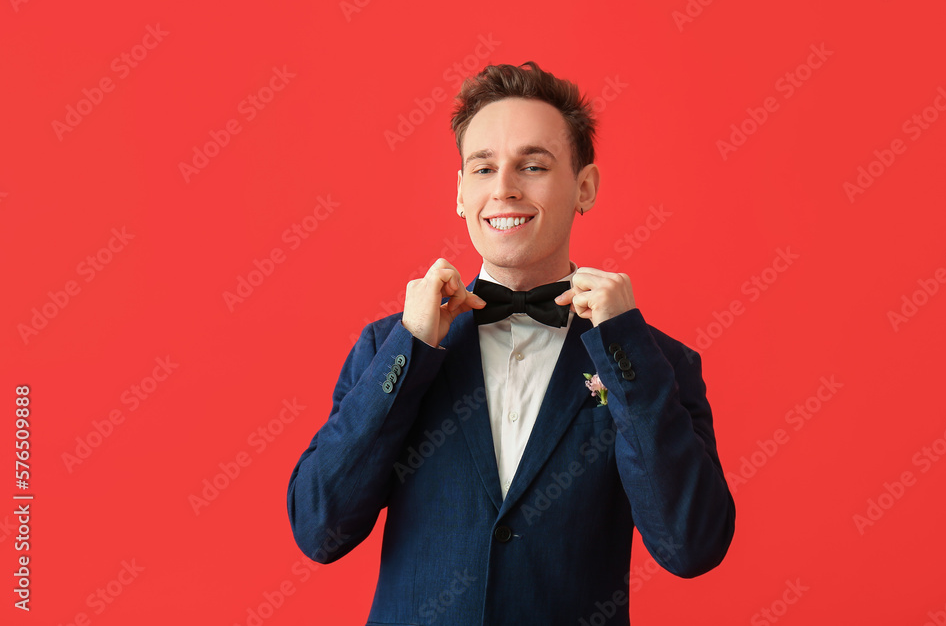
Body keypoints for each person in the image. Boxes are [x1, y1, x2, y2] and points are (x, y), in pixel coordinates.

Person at [286, 61, 735, 624]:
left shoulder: (655, 362)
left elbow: (691, 546)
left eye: (533, 165)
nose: (503, 189)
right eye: (483, 168)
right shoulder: (388, 347)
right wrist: (412, 348)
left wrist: (624, 351)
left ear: (585, 187)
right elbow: (318, 527)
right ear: (459, 192)